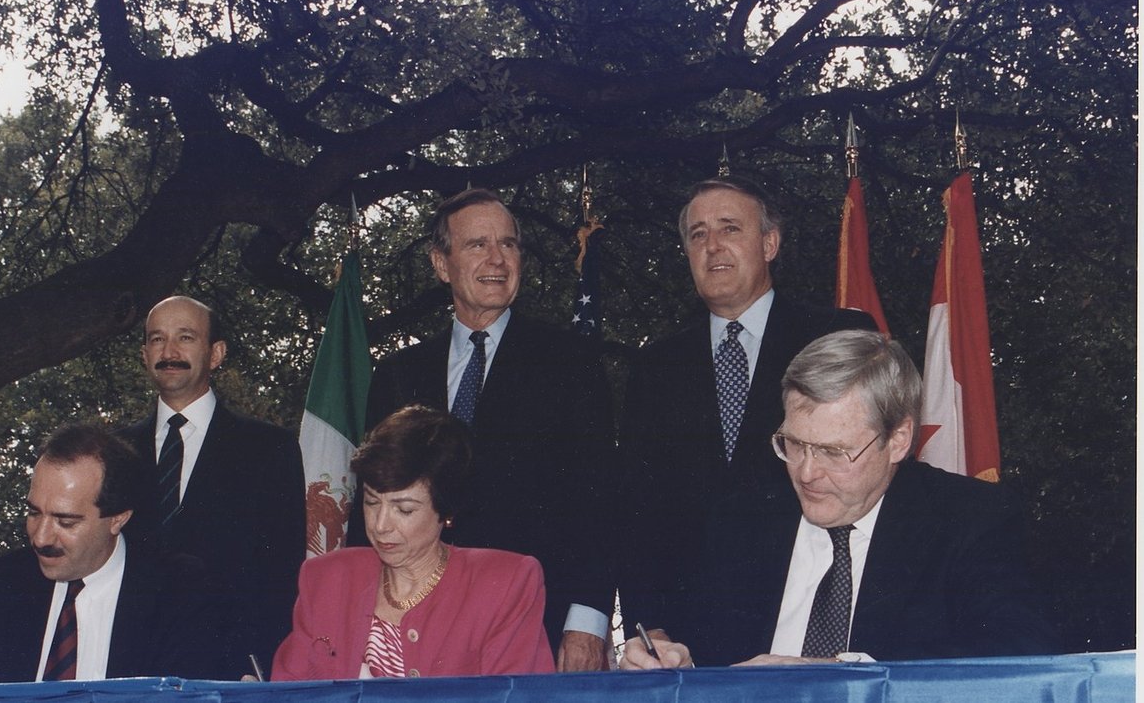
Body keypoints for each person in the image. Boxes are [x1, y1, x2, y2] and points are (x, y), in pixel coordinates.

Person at [620, 330, 1057, 668]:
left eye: (833, 451)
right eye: (793, 444)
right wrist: (675, 660)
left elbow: (1018, 654)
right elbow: (696, 649)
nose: (807, 473)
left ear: (899, 440)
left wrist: (835, 674)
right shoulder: (741, 518)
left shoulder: (970, 520)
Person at [351, 188, 616, 671]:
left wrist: (587, 621)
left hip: (533, 621)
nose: (497, 259)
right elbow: (371, 499)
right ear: (440, 263)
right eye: (477, 245)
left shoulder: (571, 362)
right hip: (412, 623)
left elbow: (598, 498)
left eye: (509, 244)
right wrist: (355, 615)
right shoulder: (398, 374)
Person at [618, 175, 877, 636]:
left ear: (770, 243)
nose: (713, 246)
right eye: (698, 235)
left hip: (811, 615)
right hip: (689, 631)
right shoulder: (654, 366)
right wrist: (647, 623)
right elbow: (638, 508)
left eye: (729, 229)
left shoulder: (838, 336)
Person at [0, 424, 220, 688]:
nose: (41, 538)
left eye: (66, 522)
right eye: (34, 513)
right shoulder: (8, 579)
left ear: (118, 519)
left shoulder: (177, 588)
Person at [274, 405, 554, 679]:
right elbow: (289, 690)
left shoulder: (505, 584)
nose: (380, 525)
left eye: (404, 509)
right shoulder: (325, 578)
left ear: (446, 511)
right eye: (372, 502)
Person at [120, 295, 305, 679]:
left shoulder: (270, 448)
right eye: (157, 339)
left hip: (230, 670)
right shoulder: (113, 453)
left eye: (185, 338)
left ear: (216, 353)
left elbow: (282, 572)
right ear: (144, 354)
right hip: (127, 667)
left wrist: (262, 664)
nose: (168, 351)